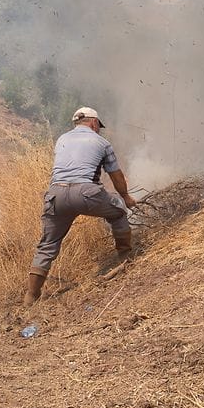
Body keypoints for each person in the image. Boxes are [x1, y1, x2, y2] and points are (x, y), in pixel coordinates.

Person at [24, 106, 137, 306]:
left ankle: (31, 297)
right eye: (98, 126)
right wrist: (126, 196)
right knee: (118, 210)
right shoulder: (102, 142)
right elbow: (116, 175)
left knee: (47, 245)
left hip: (55, 194)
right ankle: (126, 259)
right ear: (94, 122)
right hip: (86, 193)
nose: (99, 129)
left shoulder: (62, 139)